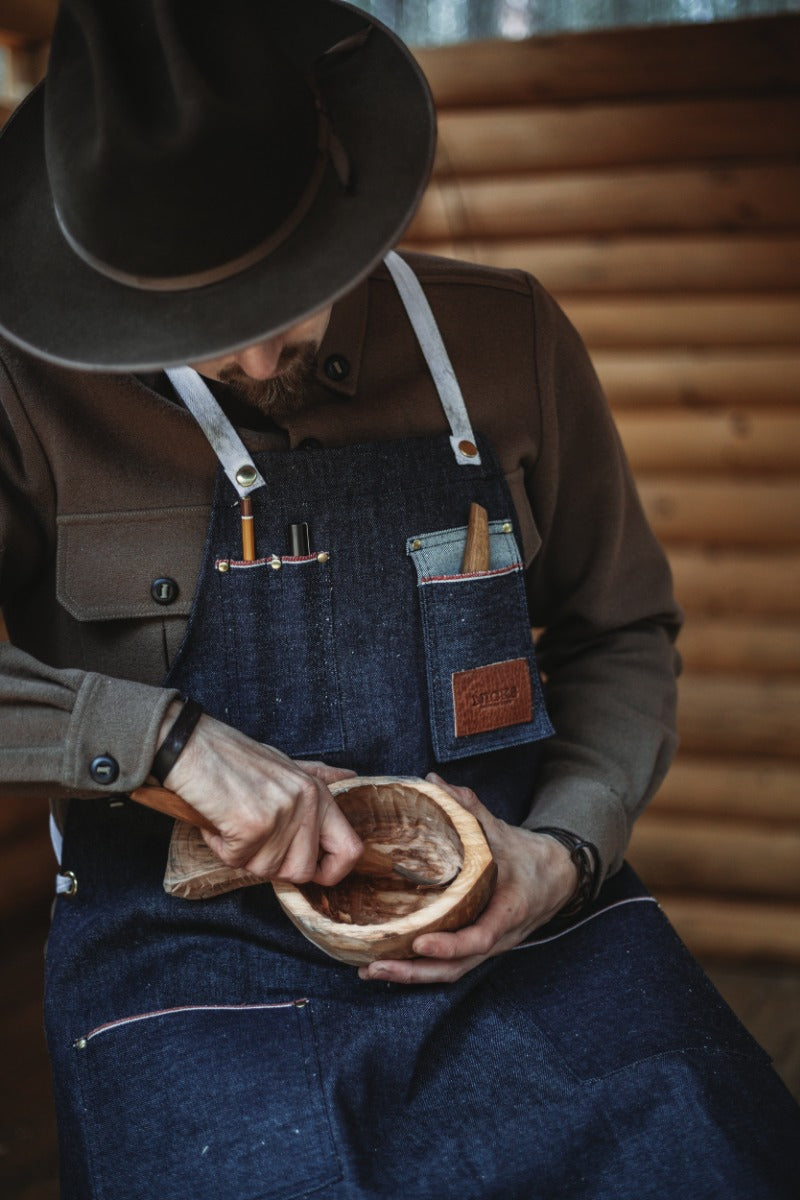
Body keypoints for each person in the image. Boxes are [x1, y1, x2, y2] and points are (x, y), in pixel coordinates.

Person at [0, 2, 797, 1197]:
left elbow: (622, 632)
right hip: (183, 953)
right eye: (205, 332)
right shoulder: (25, 389)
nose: (260, 363)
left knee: (714, 1151)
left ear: (346, 204)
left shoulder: (508, 337)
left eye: (284, 305)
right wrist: (165, 742)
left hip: (506, 900)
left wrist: (567, 853)